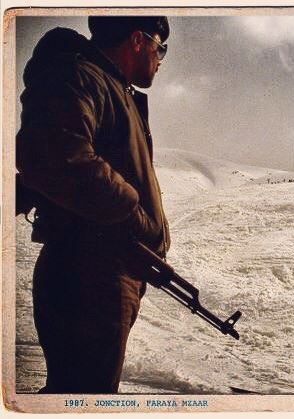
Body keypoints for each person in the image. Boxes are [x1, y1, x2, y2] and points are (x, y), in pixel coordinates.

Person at [15, 16, 171, 393]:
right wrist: (134, 213)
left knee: (79, 393)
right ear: (138, 40)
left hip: (102, 270)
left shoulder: (108, 87)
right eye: (160, 47)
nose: (162, 58)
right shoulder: (80, 76)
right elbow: (55, 155)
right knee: (85, 399)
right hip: (92, 273)